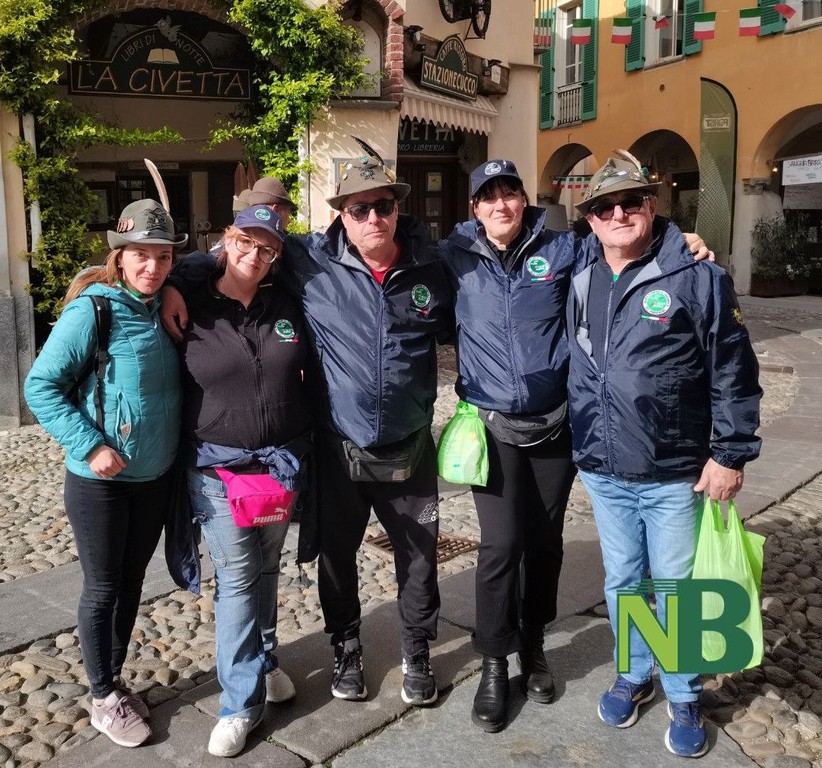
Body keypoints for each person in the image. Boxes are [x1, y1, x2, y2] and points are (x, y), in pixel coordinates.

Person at [162, 152, 453, 709]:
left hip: (411, 444)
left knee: (419, 555)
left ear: (398, 210)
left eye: (383, 206)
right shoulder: (310, 260)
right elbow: (237, 251)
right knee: (337, 555)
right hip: (339, 444)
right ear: (342, 214)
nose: (373, 218)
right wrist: (175, 279)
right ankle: (346, 647)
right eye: (360, 208)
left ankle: (417, 650)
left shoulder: (431, 266)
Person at [438, 159, 712, 733]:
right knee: (500, 546)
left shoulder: (564, 248)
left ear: (524, 200)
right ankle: (495, 661)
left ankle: (534, 646)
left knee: (545, 544)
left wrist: (680, 239)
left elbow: (624, 242)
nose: (501, 205)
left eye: (510, 193)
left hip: (557, 426)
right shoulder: (452, 255)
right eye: (489, 197)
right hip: (492, 426)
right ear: (474, 207)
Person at [565, 151, 762, 758]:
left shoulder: (698, 276)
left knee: (676, 587)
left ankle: (682, 692)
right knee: (624, 580)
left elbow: (733, 370)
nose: (618, 213)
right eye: (603, 207)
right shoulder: (579, 270)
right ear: (589, 219)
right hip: (603, 464)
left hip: (672, 470)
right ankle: (634, 673)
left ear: (652, 206)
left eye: (630, 201)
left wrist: (730, 453)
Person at [24, 199, 186, 748]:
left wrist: (174, 287)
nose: (152, 267)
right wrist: (90, 444)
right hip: (101, 482)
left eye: (163, 257)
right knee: (103, 587)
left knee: (133, 582)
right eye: (141, 255)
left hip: (154, 476)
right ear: (119, 256)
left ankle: (113, 680)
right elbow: (40, 387)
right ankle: (101, 696)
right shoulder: (93, 311)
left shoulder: (163, 303)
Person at [178, 205, 312, 758]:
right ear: (226, 240)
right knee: (237, 580)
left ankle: (266, 656)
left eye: (267, 248)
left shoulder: (286, 303)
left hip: (279, 466)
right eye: (245, 242)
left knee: (267, 567)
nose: (254, 255)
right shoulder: (191, 303)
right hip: (218, 470)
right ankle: (238, 704)